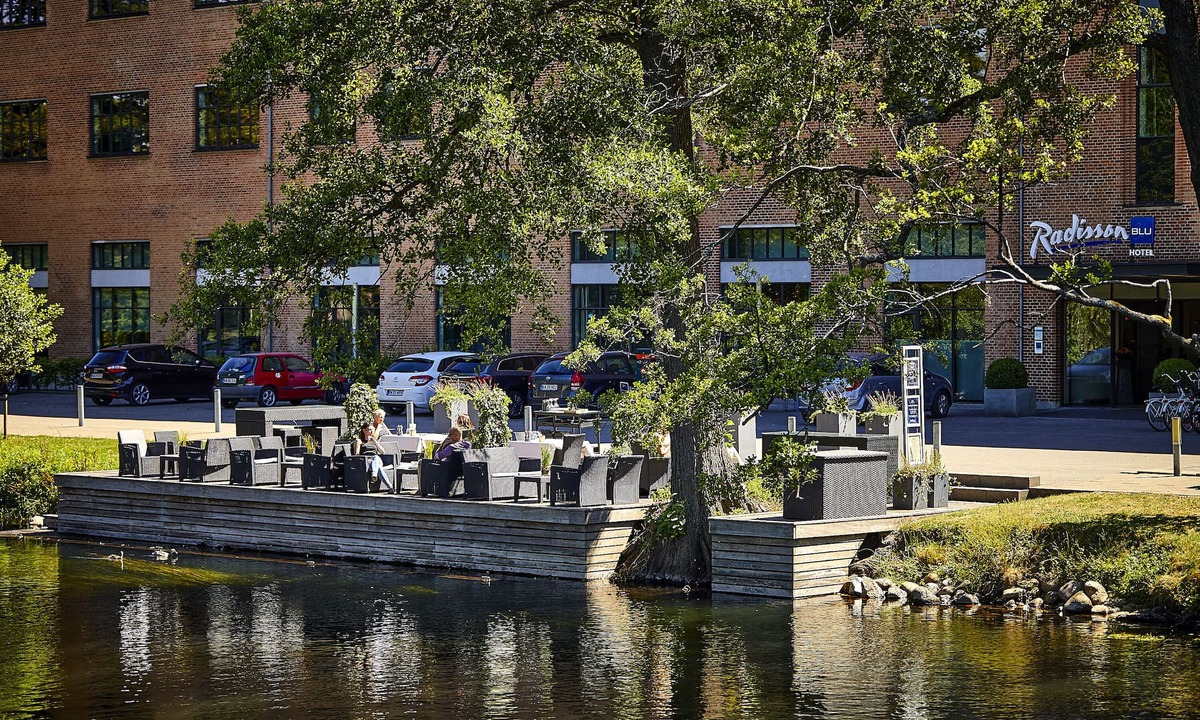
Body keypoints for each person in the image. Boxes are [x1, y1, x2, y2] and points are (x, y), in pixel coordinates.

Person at [352, 423, 394, 491]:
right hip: (366, 461)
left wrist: (375, 442)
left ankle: (374, 474)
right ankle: (390, 487)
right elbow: (357, 454)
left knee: (376, 457)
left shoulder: (374, 441)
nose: (371, 432)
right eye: (370, 430)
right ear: (364, 430)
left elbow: (383, 452)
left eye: (373, 430)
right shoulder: (359, 441)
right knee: (379, 468)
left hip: (376, 460)